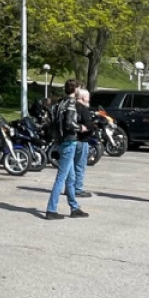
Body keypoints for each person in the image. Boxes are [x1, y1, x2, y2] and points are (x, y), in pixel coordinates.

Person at [45, 78, 88, 220]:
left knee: (71, 178)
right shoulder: (71, 103)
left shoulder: (59, 103)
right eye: (79, 88)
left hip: (61, 141)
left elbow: (52, 122)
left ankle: (74, 207)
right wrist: (80, 127)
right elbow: (69, 123)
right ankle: (51, 209)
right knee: (61, 177)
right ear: (75, 89)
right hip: (69, 142)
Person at [73, 86, 95, 199]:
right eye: (87, 98)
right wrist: (92, 126)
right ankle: (77, 189)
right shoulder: (83, 109)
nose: (89, 100)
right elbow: (88, 124)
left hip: (71, 140)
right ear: (82, 98)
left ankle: (70, 188)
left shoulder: (71, 107)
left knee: (71, 166)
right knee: (80, 166)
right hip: (82, 140)